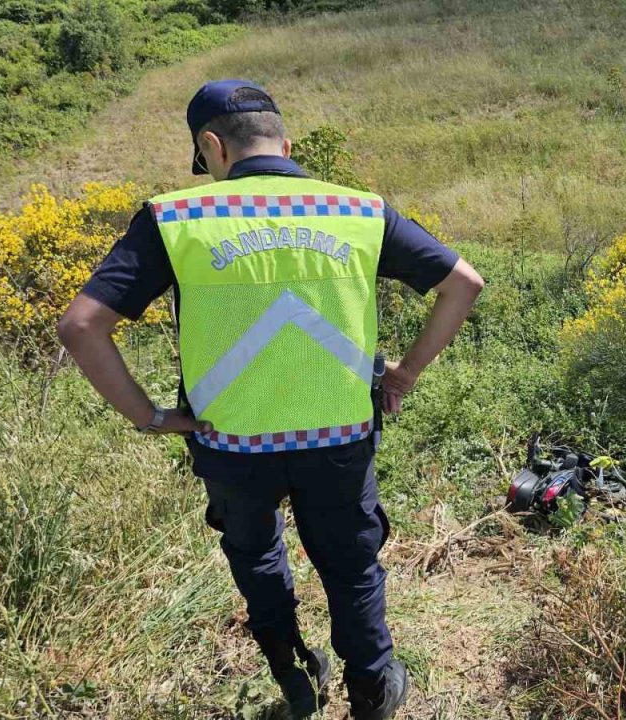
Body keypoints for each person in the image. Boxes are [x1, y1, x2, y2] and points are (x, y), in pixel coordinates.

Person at [57, 79, 483, 719]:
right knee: (352, 565)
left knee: (257, 558)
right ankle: (371, 691)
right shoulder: (358, 210)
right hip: (339, 438)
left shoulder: (174, 219)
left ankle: (294, 680)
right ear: (284, 143)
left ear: (211, 146)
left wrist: (148, 416)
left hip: (230, 443)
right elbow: (464, 284)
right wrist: (404, 375)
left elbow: (81, 325)